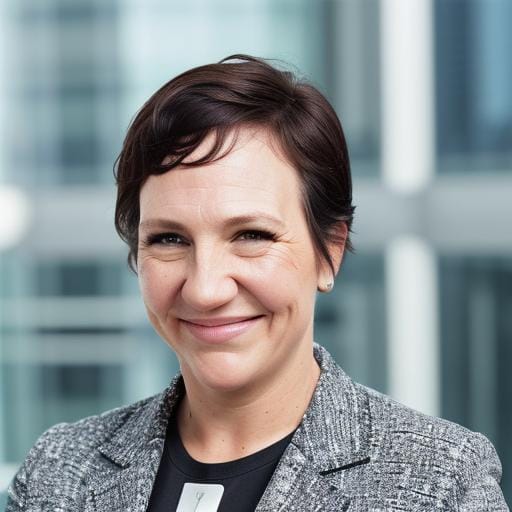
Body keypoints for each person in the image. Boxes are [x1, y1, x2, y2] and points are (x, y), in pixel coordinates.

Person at [6, 55, 508, 512]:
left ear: (329, 252)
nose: (205, 289)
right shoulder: (58, 471)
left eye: (251, 235)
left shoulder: (442, 483)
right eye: (169, 239)